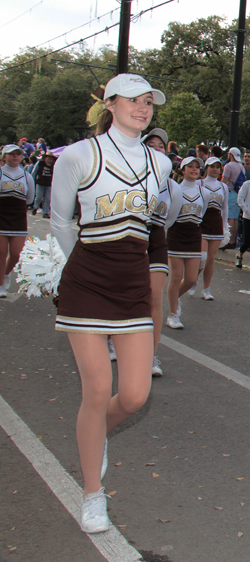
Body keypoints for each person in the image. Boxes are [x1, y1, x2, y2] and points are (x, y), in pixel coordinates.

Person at [50, 73, 171, 533]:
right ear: (110, 103)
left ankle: (95, 433)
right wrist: (72, 271)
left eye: (148, 102)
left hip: (132, 282)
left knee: (136, 394)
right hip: (86, 280)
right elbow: (61, 221)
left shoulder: (160, 163)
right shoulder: (81, 155)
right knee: (97, 390)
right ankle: (91, 494)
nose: (143, 108)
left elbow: (148, 220)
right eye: (133, 100)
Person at [142, 128, 180, 378]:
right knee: (127, 295)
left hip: (155, 238)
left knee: (154, 298)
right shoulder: (127, 176)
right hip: (129, 237)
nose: (157, 148)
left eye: (161, 145)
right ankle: (113, 338)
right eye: (151, 144)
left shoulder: (173, 187)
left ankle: (151, 355)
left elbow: (169, 218)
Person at [165, 157, 209, 330]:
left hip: (193, 234)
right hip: (177, 233)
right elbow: (171, 213)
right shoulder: (175, 190)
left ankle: (175, 299)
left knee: (190, 279)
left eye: (197, 167)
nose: (194, 169)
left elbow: (202, 212)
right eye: (189, 166)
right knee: (176, 277)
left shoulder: (203, 192)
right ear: (182, 170)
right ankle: (172, 314)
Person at [0, 144, 35, 297]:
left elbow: (29, 198)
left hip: (18, 218)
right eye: (11, 154)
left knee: (17, 254)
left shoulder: (27, 176)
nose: (15, 156)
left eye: (18, 154)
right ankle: (1, 285)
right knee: (1, 252)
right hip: (1, 216)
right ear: (4, 156)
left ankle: (6, 273)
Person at [196, 157, 228, 299]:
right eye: (212, 166)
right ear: (206, 168)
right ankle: (192, 280)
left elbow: (225, 207)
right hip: (202, 220)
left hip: (216, 221)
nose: (215, 169)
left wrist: (225, 225)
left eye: (217, 166)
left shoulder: (223, 187)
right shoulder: (199, 183)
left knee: (210, 258)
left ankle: (206, 288)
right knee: (202, 257)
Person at [221, 147, 244, 249]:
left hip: (230, 192)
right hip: (238, 193)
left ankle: (228, 241)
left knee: (230, 218)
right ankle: (233, 240)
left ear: (231, 155)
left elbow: (224, 181)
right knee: (235, 218)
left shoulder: (228, 166)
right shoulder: (241, 166)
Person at [31, 151, 56, 218]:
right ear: (45, 158)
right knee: (39, 197)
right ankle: (35, 207)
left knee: (48, 199)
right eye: (48, 157)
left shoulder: (54, 165)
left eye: (51, 158)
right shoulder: (40, 163)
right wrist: (32, 181)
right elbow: (34, 172)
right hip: (40, 183)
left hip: (49, 184)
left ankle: (45, 212)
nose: (50, 159)